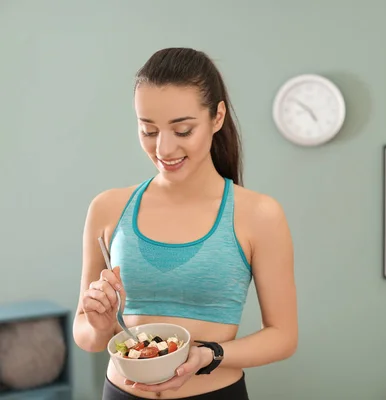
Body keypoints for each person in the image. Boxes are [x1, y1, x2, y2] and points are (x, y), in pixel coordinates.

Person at [72, 47, 298, 400]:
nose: (163, 148)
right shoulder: (108, 208)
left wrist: (210, 354)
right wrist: (100, 325)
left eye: (183, 130)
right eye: (148, 130)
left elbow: (283, 337)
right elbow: (85, 334)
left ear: (217, 117)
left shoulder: (259, 215)